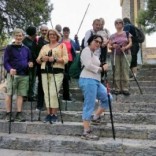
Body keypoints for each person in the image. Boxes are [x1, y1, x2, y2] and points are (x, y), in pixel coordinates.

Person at [79, 34, 111, 140]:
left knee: (108, 98)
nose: (98, 44)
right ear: (90, 41)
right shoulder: (86, 50)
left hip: (96, 81)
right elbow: (88, 65)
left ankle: (96, 117)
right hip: (87, 80)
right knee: (89, 104)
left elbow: (97, 66)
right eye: (96, 41)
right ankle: (86, 131)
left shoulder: (95, 54)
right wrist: (101, 69)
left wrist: (103, 66)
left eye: (100, 42)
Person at [36, 29, 68, 123]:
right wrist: (43, 58)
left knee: (53, 93)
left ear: (57, 36)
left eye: (54, 34)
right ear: (48, 36)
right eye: (50, 34)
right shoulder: (44, 47)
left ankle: (54, 114)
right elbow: (38, 60)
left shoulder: (62, 45)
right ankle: (48, 114)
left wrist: (55, 59)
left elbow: (66, 59)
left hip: (57, 71)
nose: (52, 36)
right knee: (47, 93)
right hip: (45, 71)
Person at [4, 28, 33, 121]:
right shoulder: (9, 48)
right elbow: (5, 62)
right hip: (13, 74)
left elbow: (30, 60)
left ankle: (19, 114)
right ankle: (8, 113)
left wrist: (30, 63)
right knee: (9, 94)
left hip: (24, 75)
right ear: (14, 37)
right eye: (17, 35)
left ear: (23, 37)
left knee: (21, 95)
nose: (18, 37)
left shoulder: (27, 49)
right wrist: (10, 69)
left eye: (20, 35)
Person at [108, 19, 132, 96]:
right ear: (115, 25)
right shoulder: (112, 35)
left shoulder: (127, 33)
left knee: (125, 70)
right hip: (115, 54)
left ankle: (125, 88)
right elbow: (109, 45)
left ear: (122, 24)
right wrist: (113, 46)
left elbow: (130, 43)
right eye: (116, 23)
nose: (118, 24)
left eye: (120, 23)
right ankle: (117, 88)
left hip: (125, 53)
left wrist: (125, 47)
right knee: (117, 70)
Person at [32, 24, 49, 111]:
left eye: (46, 30)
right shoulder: (37, 40)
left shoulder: (51, 40)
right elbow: (34, 52)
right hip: (40, 66)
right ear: (40, 31)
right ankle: (39, 105)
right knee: (41, 85)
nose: (44, 32)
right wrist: (39, 59)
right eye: (43, 30)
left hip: (50, 66)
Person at [62, 27, 80, 101]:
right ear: (63, 32)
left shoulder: (72, 41)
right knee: (65, 78)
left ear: (69, 32)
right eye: (65, 31)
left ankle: (67, 94)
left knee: (68, 77)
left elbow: (77, 47)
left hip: (70, 61)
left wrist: (76, 39)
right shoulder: (60, 41)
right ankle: (66, 95)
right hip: (62, 61)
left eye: (67, 31)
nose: (66, 32)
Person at [23, 26, 37, 101]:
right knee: (28, 79)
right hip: (27, 63)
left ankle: (30, 95)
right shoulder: (25, 41)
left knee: (33, 79)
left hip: (34, 63)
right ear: (33, 33)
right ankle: (25, 95)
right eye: (35, 32)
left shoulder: (34, 40)